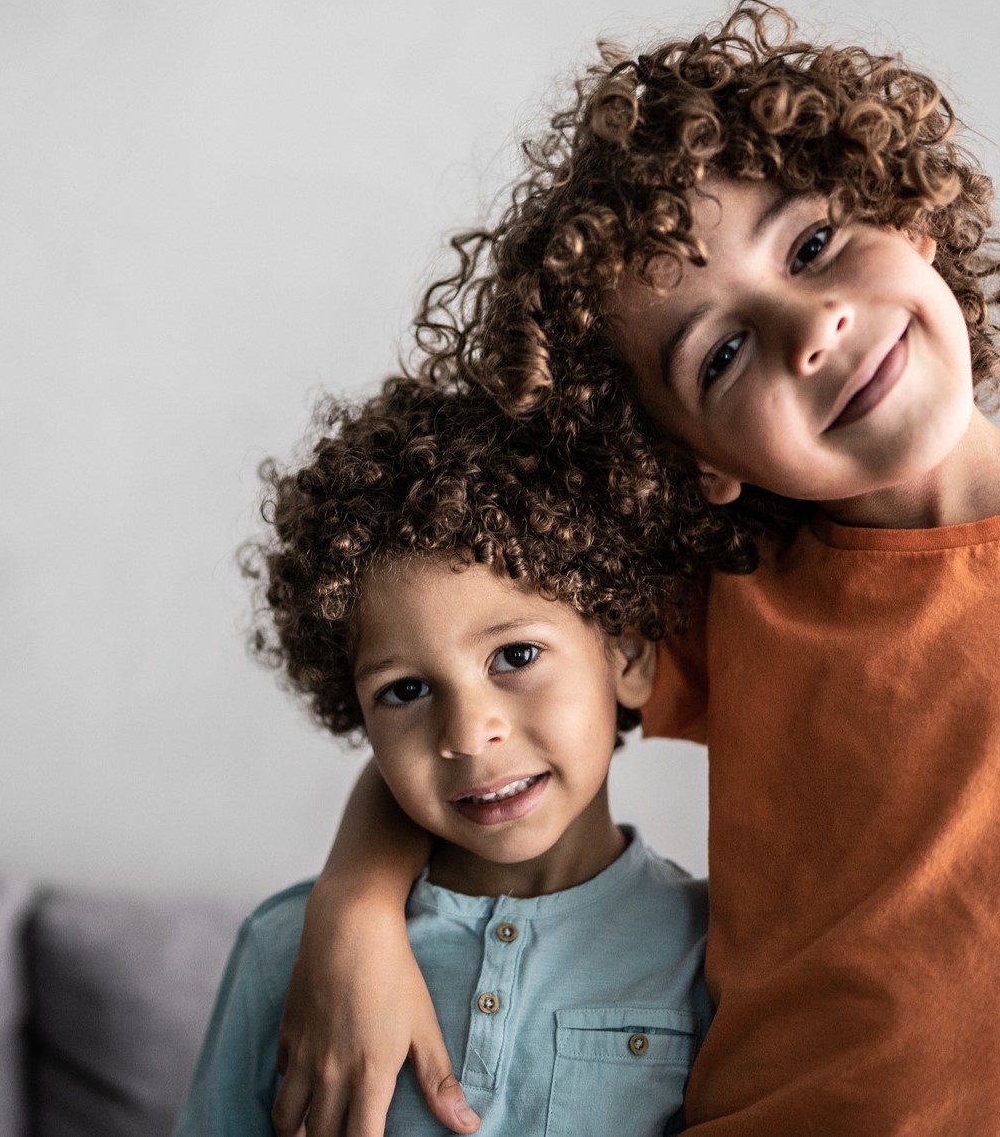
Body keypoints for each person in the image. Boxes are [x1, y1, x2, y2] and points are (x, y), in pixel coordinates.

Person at [269, 2, 1000, 1137]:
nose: (808, 326)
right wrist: (352, 913)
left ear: (904, 215)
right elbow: (468, 718)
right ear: (697, 464)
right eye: (718, 355)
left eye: (810, 244)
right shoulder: (726, 594)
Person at [175, 378, 716, 1137]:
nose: (467, 733)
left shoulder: (708, 953)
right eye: (405, 691)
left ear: (625, 651)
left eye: (515, 654)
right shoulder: (288, 949)